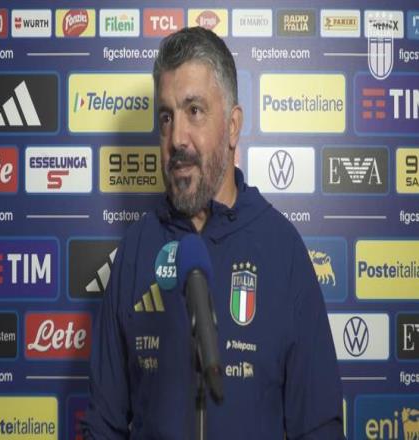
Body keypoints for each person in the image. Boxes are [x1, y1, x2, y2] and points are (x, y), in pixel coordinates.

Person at [84, 27, 344, 439]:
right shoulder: (135, 251)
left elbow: (318, 428)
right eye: (166, 117)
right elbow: (104, 425)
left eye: (194, 111)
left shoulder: (284, 251)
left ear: (233, 125)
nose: (177, 139)